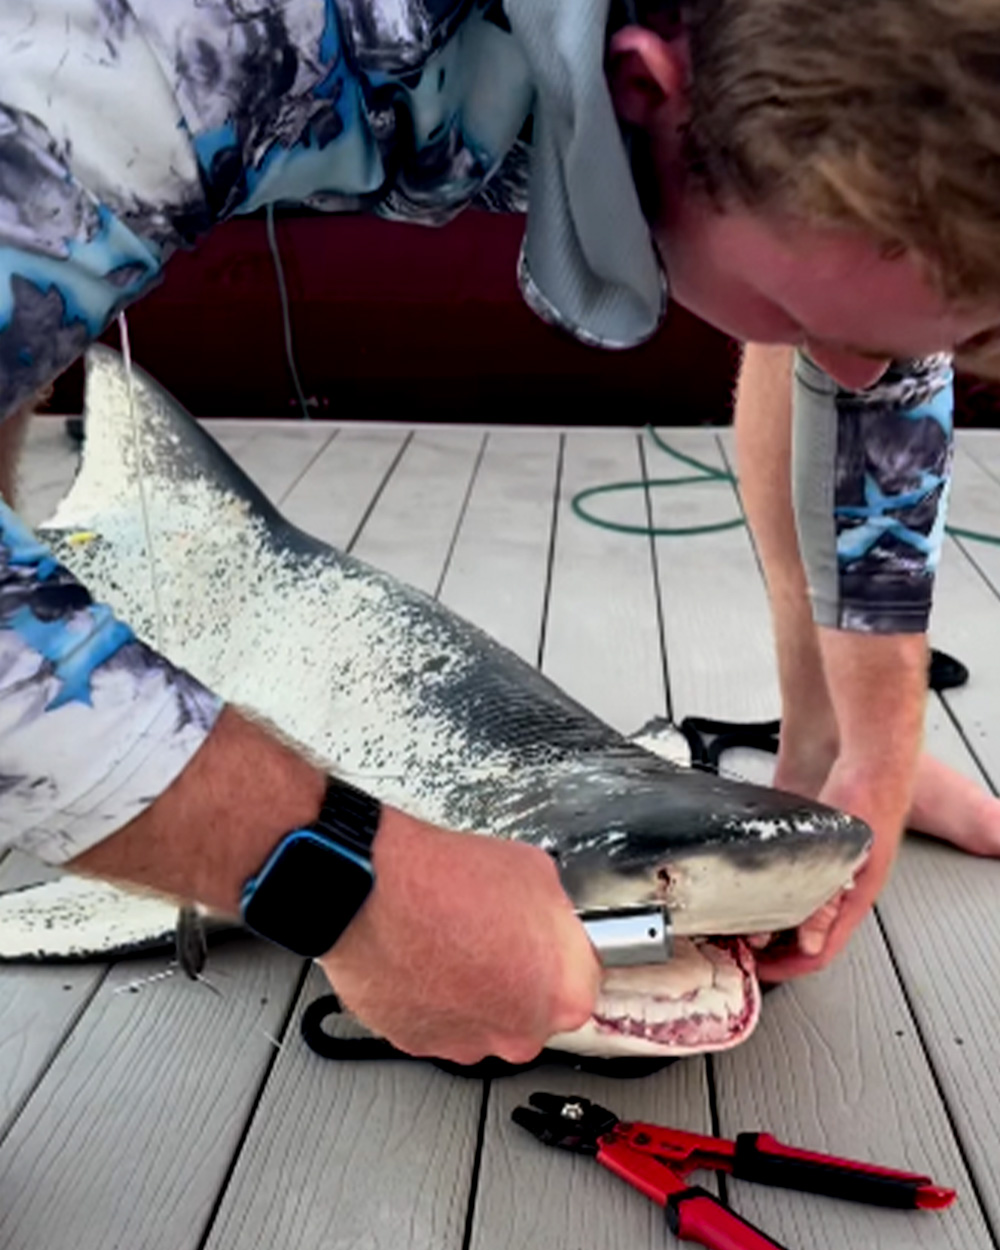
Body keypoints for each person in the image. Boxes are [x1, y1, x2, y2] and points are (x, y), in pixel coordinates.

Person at [1, 0, 999, 1061]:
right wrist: (340, 875)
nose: (856, 373)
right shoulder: (167, 47)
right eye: (813, 324)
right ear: (645, 89)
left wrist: (874, 754)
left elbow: (888, 349)